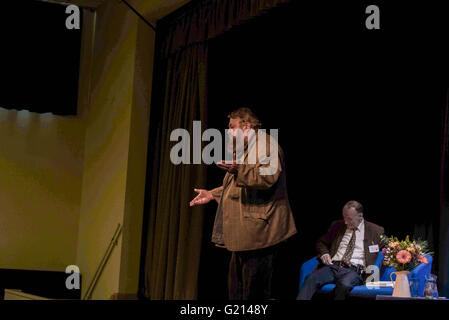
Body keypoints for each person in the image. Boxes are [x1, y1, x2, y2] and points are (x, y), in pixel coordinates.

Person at [190, 107, 297, 300]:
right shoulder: (249, 149)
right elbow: (240, 186)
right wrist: (212, 194)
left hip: (260, 234)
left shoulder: (267, 146)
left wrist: (239, 169)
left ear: (246, 126)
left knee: (254, 294)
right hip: (246, 233)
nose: (228, 131)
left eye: (232, 127)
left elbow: (268, 177)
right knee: (238, 293)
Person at [296, 200, 384, 300]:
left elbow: (390, 246)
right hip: (333, 267)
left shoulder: (375, 230)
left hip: (354, 271)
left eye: (349, 219)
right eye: (344, 218)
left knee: (344, 285)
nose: (345, 222)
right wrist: (324, 253)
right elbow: (321, 243)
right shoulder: (337, 226)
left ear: (360, 216)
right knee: (311, 278)